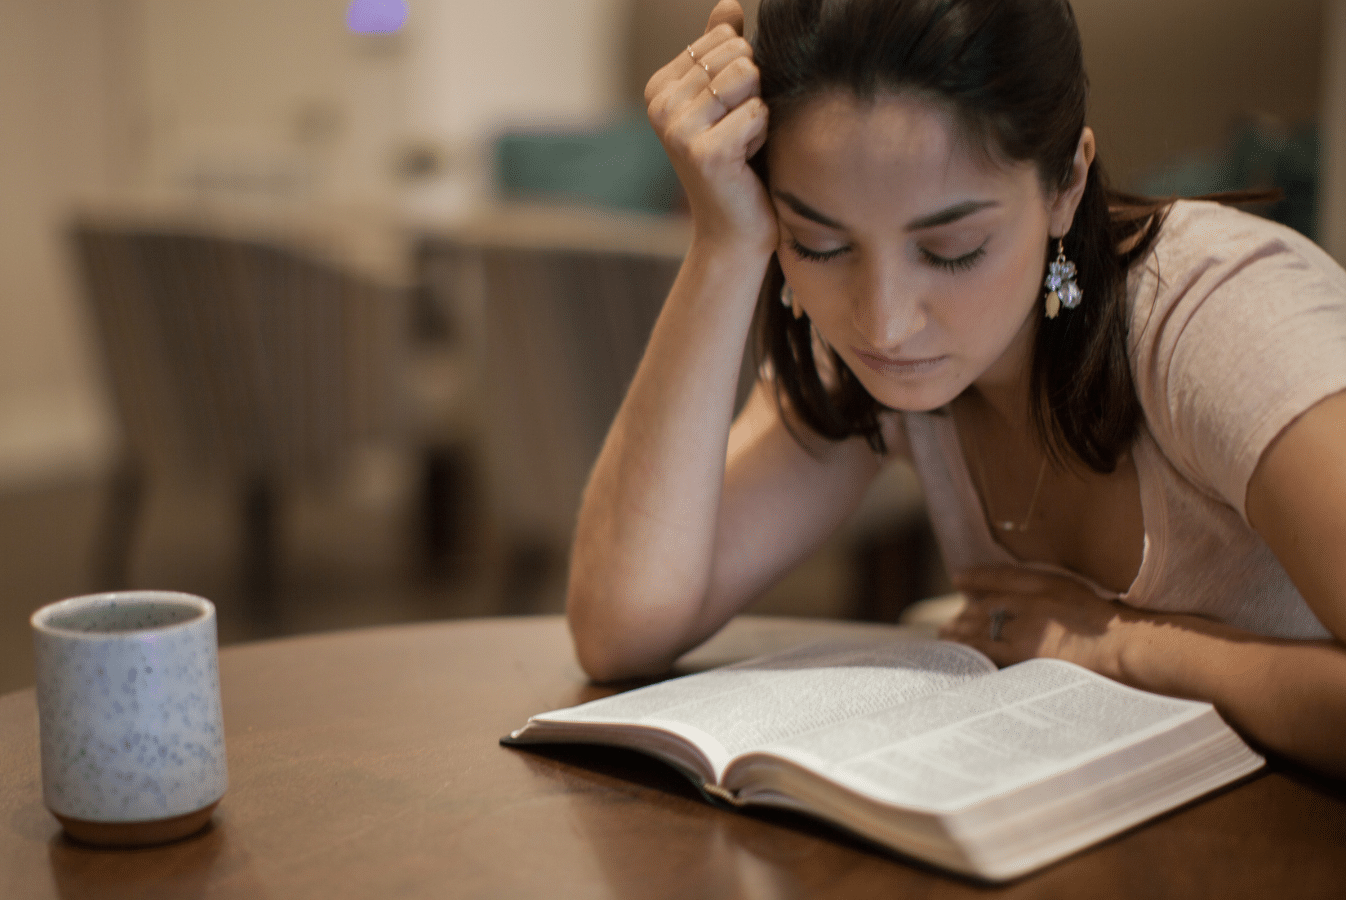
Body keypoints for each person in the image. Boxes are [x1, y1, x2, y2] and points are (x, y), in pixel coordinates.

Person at [566, 0, 1346, 779]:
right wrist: (724, 242)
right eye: (821, 242)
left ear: (1066, 185)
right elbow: (621, 625)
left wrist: (1123, 646)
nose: (885, 322)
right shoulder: (876, 362)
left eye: (951, 249)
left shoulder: (1220, 318)